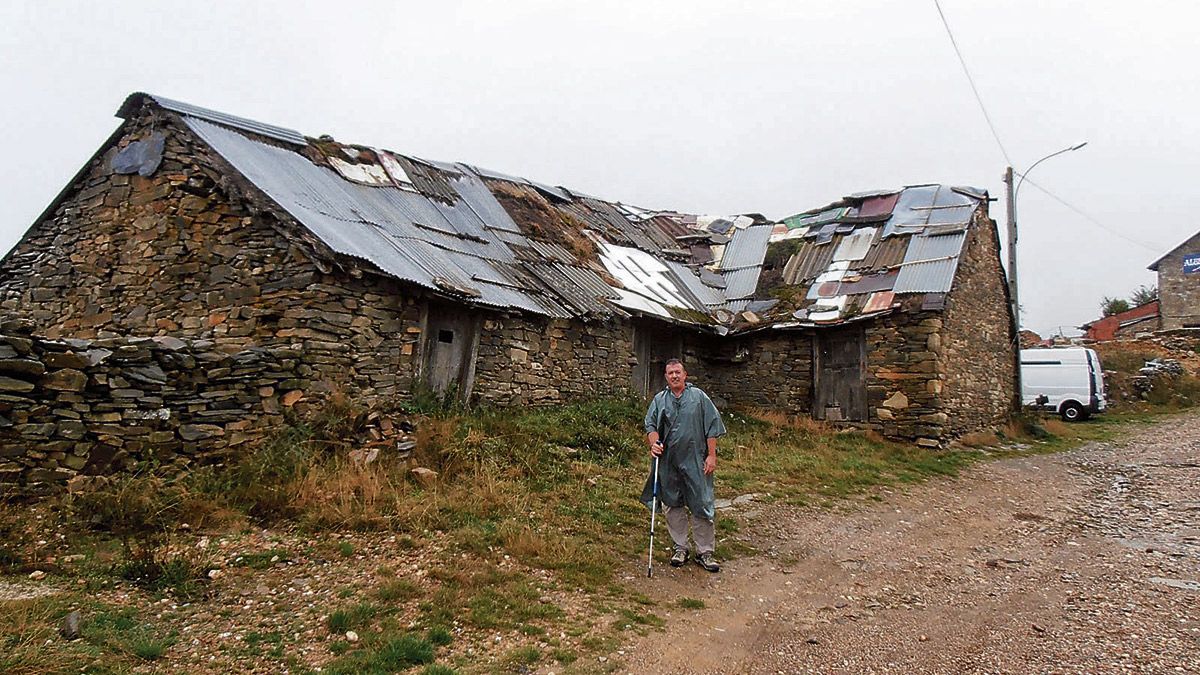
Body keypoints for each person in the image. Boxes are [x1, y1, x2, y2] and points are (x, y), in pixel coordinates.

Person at [641, 358, 727, 573]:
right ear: (666, 377)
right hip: (669, 461)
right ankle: (680, 548)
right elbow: (650, 424)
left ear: (685, 374)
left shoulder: (698, 397)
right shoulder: (660, 400)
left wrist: (712, 456)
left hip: (696, 459)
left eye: (678, 372)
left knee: (701, 503)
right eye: (670, 373)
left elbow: (712, 426)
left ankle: (704, 552)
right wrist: (654, 444)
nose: (674, 376)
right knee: (672, 503)